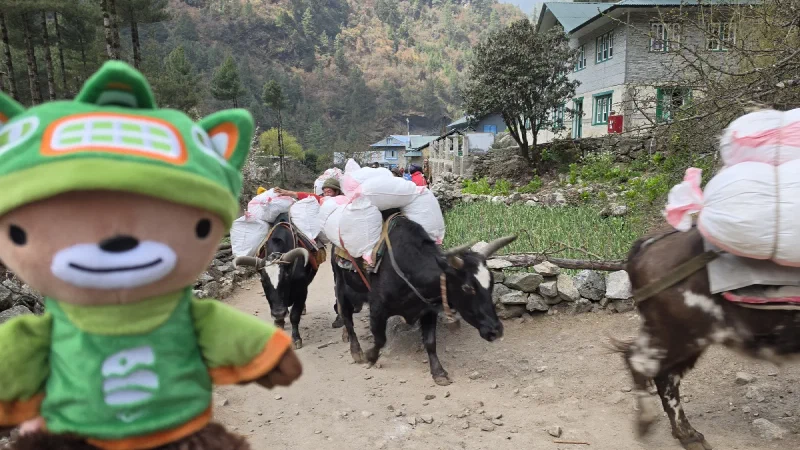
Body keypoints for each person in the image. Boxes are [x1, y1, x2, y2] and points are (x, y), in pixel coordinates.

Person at [273, 178, 346, 328]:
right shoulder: (321, 201)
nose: (327, 192)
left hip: (342, 240)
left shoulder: (343, 202)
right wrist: (287, 193)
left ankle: (342, 311)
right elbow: (308, 197)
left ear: (337, 192)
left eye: (330, 190)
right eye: (325, 190)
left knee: (340, 275)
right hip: (329, 236)